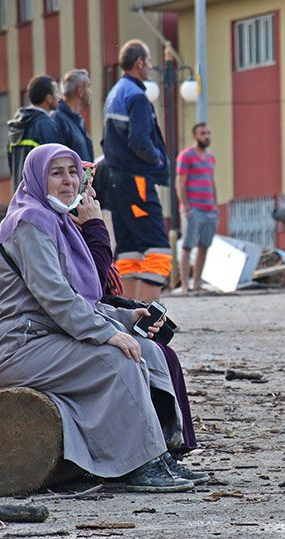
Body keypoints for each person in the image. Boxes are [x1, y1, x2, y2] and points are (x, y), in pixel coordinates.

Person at [0, 144, 203, 492]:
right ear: (37, 179)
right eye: (56, 173)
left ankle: (161, 454)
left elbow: (85, 299)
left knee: (150, 352)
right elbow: (56, 298)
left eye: (73, 172)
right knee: (117, 357)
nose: (68, 181)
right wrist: (107, 334)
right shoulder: (28, 223)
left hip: (53, 337)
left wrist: (128, 318)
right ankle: (137, 465)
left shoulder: (59, 224)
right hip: (21, 346)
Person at [70, 178, 201, 457]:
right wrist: (95, 228)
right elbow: (90, 286)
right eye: (86, 192)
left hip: (99, 313)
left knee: (163, 352)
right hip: (72, 327)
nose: (92, 197)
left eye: (93, 190)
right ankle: (150, 451)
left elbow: (101, 293)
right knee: (143, 354)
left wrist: (131, 313)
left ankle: (171, 447)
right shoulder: (65, 232)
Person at [103, 40, 171, 302]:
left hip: (116, 183)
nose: (151, 66)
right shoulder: (137, 97)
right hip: (137, 181)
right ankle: (148, 323)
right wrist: (157, 162)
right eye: (149, 61)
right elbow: (140, 141)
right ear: (140, 63)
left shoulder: (115, 94)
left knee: (129, 251)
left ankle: (126, 317)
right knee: (157, 248)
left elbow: (107, 141)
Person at [176, 122, 218, 294]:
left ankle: (197, 283)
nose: (206, 136)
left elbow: (211, 182)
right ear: (195, 136)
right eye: (202, 133)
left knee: (204, 246)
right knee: (187, 246)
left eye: (208, 133)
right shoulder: (186, 156)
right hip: (193, 210)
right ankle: (185, 284)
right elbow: (180, 183)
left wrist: (215, 204)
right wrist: (186, 206)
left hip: (210, 210)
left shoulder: (211, 157)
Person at [7, 75, 63, 187]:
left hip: (20, 196)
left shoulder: (15, 126)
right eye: (56, 92)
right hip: (41, 197)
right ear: (49, 98)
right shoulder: (46, 125)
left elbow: (11, 165)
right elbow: (57, 163)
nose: (60, 97)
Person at [53, 69, 94, 162]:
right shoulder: (58, 119)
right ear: (80, 92)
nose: (90, 92)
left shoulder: (78, 119)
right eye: (88, 87)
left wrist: (89, 176)